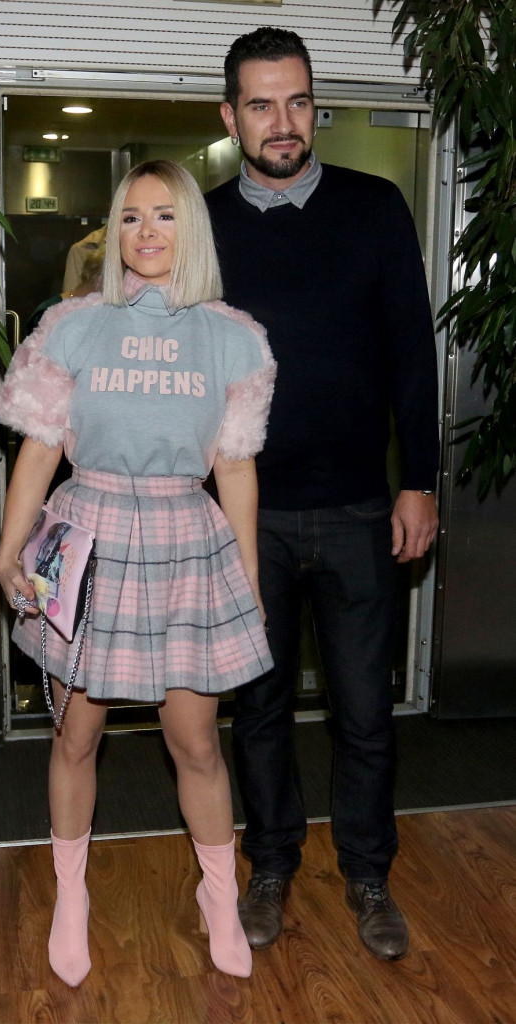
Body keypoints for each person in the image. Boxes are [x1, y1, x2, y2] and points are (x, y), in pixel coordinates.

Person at [0, 159, 276, 985]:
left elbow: (236, 467)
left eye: (164, 215)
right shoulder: (72, 325)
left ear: (192, 228)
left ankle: (218, 895)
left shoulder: (234, 337)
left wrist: (249, 582)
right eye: (129, 216)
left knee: (196, 742)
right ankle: (70, 894)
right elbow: (39, 449)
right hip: (88, 533)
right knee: (76, 734)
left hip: (186, 539)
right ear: (112, 230)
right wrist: (9, 551)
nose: (146, 232)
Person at [205, 27, 440, 962]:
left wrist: (417, 480)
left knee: (365, 713)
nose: (283, 121)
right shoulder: (201, 225)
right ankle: (269, 866)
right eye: (261, 104)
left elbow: (412, 352)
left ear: (315, 107)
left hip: (355, 509)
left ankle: (368, 875)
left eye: (297, 101)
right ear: (230, 117)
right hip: (242, 516)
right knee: (258, 709)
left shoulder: (374, 207)